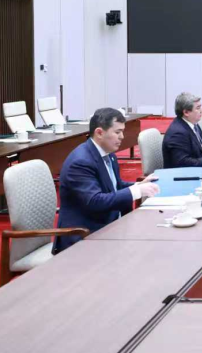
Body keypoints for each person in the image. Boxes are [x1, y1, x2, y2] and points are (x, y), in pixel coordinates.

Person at [54, 108, 160, 253]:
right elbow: (95, 201)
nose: (122, 137)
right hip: (84, 235)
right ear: (99, 133)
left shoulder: (108, 154)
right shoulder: (80, 162)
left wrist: (139, 185)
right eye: (117, 132)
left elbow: (115, 186)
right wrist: (136, 191)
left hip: (108, 225)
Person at [162, 92, 202, 168]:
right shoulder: (178, 133)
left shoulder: (193, 124)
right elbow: (183, 162)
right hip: (184, 174)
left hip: (199, 169)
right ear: (186, 112)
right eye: (198, 108)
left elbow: (199, 152)